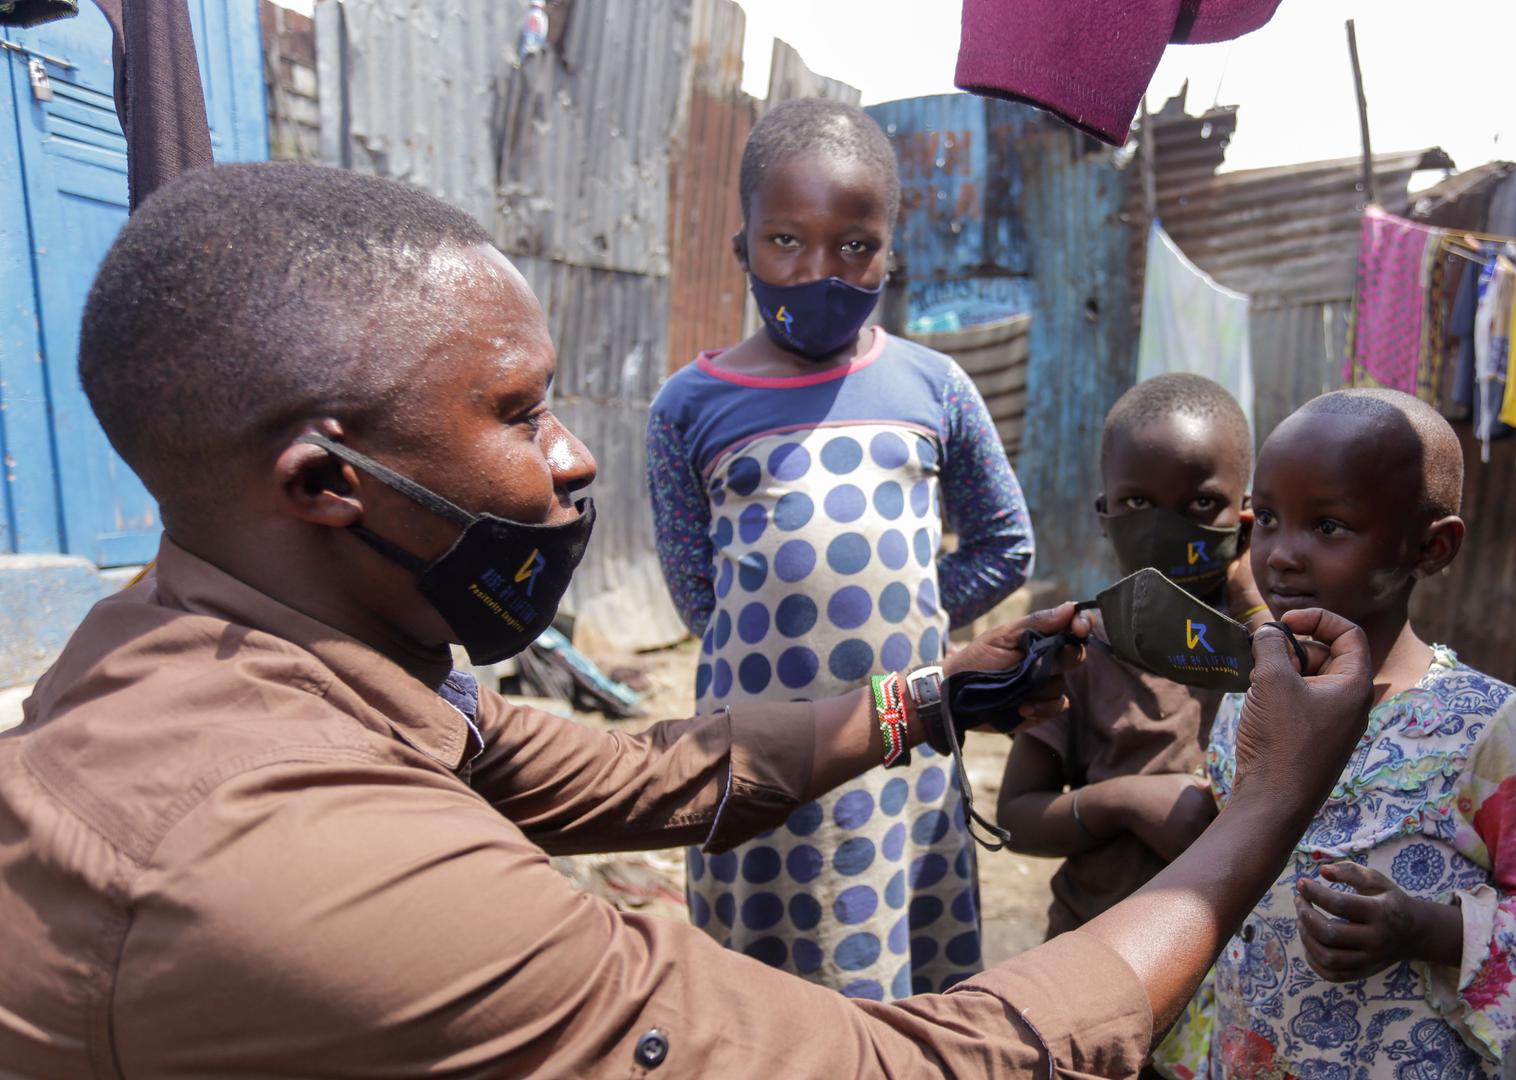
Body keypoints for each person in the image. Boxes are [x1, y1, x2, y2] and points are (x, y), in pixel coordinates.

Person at [0, 161, 1380, 1077]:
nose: (572, 454)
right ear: (326, 482)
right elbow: (901, 1068)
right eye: (518, 412)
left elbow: (659, 767)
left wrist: (931, 699)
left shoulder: (234, 655)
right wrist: (1265, 809)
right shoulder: (305, 868)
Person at [646, 98, 1033, 999]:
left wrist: (912, 626)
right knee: (762, 993)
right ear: (741, 242)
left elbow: (1004, 543)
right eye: (786, 240)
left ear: (892, 249)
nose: (820, 269)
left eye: (855, 245)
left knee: (894, 986)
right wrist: (786, 655)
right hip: (755, 753)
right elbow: (701, 598)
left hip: (898, 756)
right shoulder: (688, 407)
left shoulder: (934, 386)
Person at [1198, 388, 1516, 1079]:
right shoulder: (1252, 698)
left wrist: (1424, 929)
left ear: (1432, 547)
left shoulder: (1485, 727)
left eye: (1328, 526)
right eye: (1266, 518)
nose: (1282, 556)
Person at [997, 373, 1256, 1080]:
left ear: (1245, 522)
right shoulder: (1080, 652)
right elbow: (1015, 817)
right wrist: (1125, 802)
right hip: (1101, 977)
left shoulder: (1281, 660)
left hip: (1241, 988)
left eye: (1201, 504)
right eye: (1140, 503)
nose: (1167, 527)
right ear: (1105, 512)